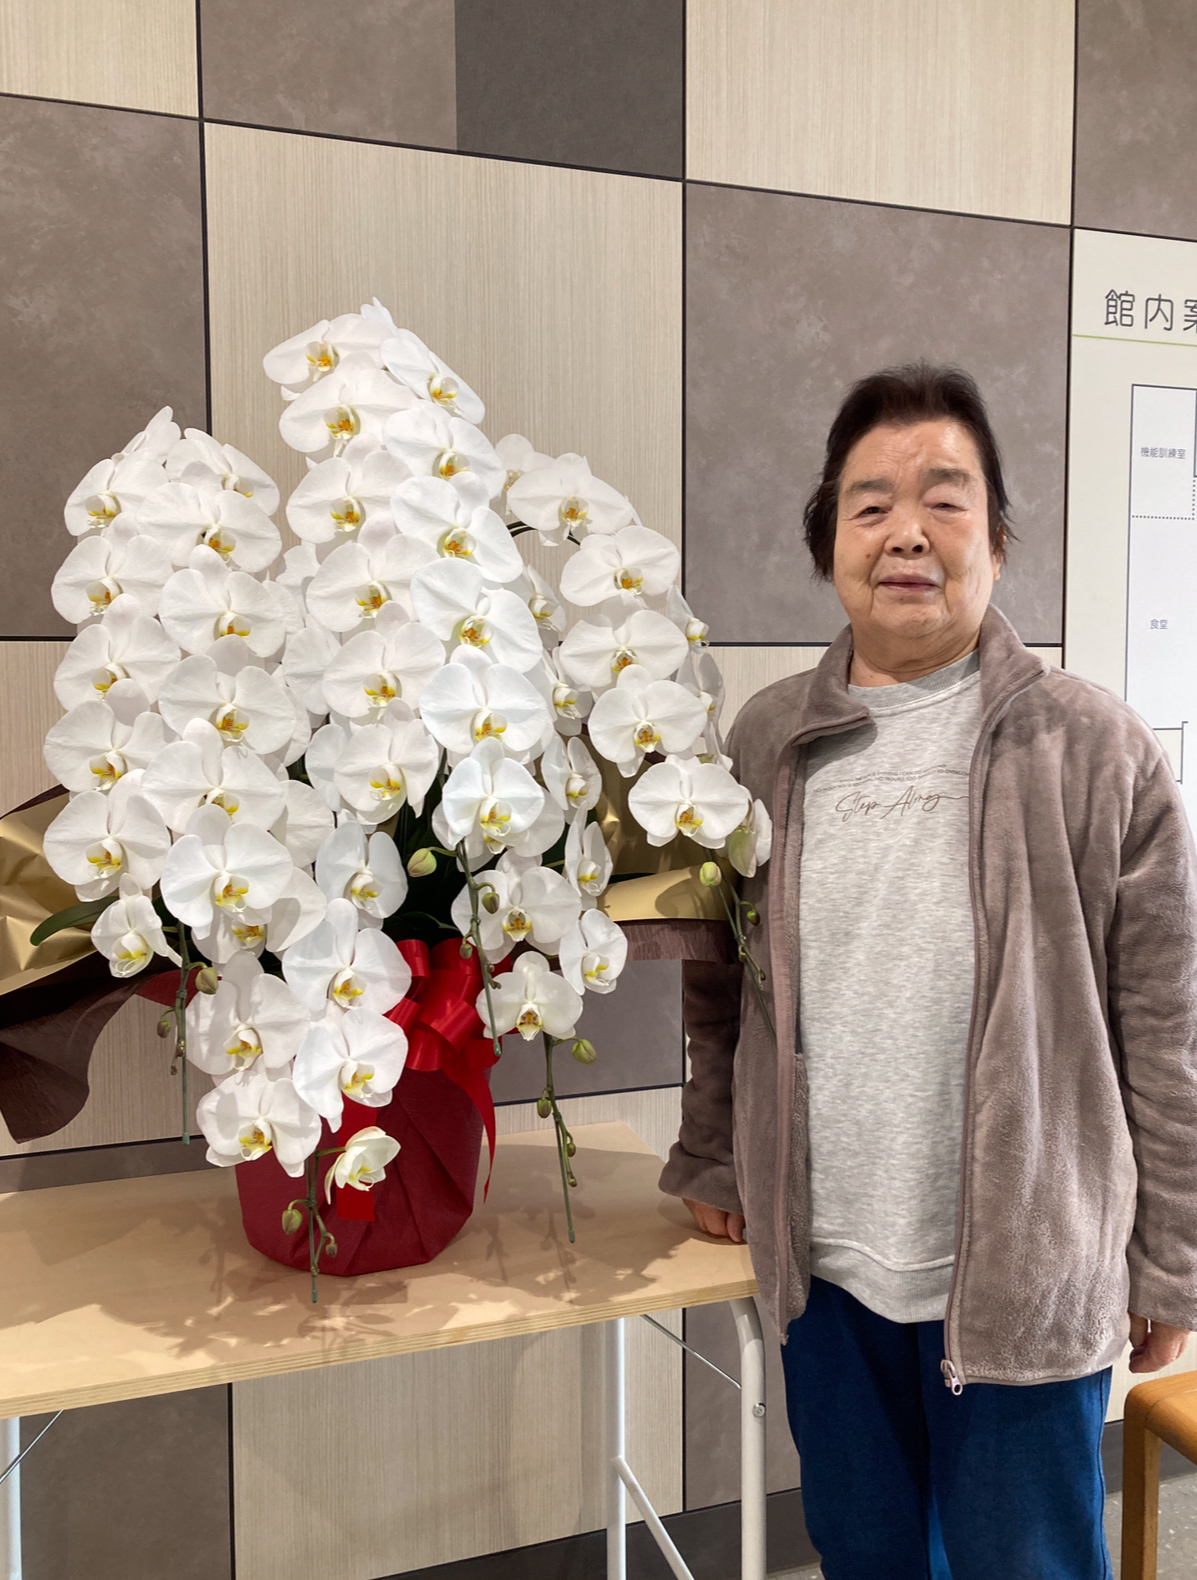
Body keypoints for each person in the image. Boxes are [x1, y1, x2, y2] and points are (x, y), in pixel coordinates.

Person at [659, 363, 1197, 1580]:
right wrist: (711, 1149)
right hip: (827, 1273)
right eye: (871, 504)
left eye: (947, 500)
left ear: (996, 540)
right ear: (829, 543)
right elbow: (719, 982)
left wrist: (1172, 1255)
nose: (907, 531)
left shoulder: (1093, 747)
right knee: (867, 1556)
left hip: (1026, 1277)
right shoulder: (767, 740)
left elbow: (1166, 1027)